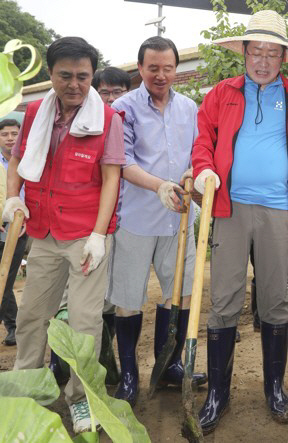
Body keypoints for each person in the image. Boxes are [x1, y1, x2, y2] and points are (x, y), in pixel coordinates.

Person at [192, 10, 288, 434]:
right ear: (243, 53)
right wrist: (205, 168)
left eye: (272, 53)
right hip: (229, 207)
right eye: (256, 51)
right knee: (224, 299)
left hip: (277, 210)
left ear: (283, 57)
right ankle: (217, 393)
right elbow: (203, 141)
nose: (262, 60)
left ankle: (275, 388)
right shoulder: (221, 94)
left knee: (274, 300)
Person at [2, 36, 125, 434]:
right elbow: (17, 161)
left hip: (83, 237)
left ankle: (80, 398)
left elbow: (111, 179)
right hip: (43, 231)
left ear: (92, 75)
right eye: (65, 76)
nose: (74, 84)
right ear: (50, 74)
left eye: (83, 76)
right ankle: (27, 389)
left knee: (84, 324)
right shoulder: (36, 111)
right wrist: (11, 199)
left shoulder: (107, 119)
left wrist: (99, 234)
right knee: (32, 316)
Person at [107, 36, 207, 408]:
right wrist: (159, 185)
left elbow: (198, 151)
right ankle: (130, 375)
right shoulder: (123, 107)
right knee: (128, 299)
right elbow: (123, 161)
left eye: (168, 68)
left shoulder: (189, 107)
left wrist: (194, 172)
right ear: (141, 69)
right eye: (153, 68)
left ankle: (168, 366)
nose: (161, 75)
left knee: (177, 293)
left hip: (179, 219)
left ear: (176, 69)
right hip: (136, 216)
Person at [48, 66, 132, 385]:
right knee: (70, 301)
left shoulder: (123, 122)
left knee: (103, 301)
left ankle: (104, 363)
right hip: (83, 229)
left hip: (121, 225)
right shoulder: (82, 124)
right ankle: (60, 362)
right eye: (105, 91)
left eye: (118, 91)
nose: (111, 97)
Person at [0, 118, 27, 346]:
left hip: (26, 227)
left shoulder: (28, 162)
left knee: (6, 278)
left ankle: (16, 326)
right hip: (2, 226)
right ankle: (13, 326)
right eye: (4, 134)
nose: (10, 138)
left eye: (14, 134)